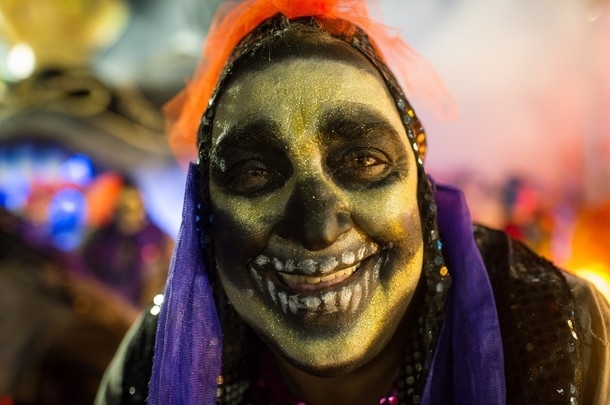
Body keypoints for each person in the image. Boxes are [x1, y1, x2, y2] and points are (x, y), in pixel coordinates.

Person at [96, 1, 610, 404]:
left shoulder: (560, 338)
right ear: (205, 212)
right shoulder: (153, 368)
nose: (317, 226)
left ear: (420, 185)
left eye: (363, 161)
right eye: (256, 173)